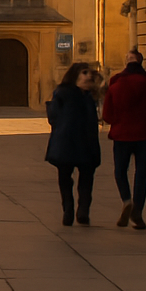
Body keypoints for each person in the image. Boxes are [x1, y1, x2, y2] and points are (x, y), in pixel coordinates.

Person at [102, 49, 146, 230]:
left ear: (127, 62)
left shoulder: (115, 84)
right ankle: (137, 211)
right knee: (142, 173)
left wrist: (119, 121)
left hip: (122, 135)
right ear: (141, 62)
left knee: (120, 171)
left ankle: (126, 199)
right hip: (144, 135)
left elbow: (107, 115)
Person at [45, 62, 101, 226]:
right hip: (66, 142)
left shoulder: (89, 97)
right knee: (65, 178)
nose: (88, 76)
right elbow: (53, 116)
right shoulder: (63, 93)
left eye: (90, 73)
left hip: (86, 143)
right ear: (75, 76)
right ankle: (68, 210)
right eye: (84, 72)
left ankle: (83, 210)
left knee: (86, 178)